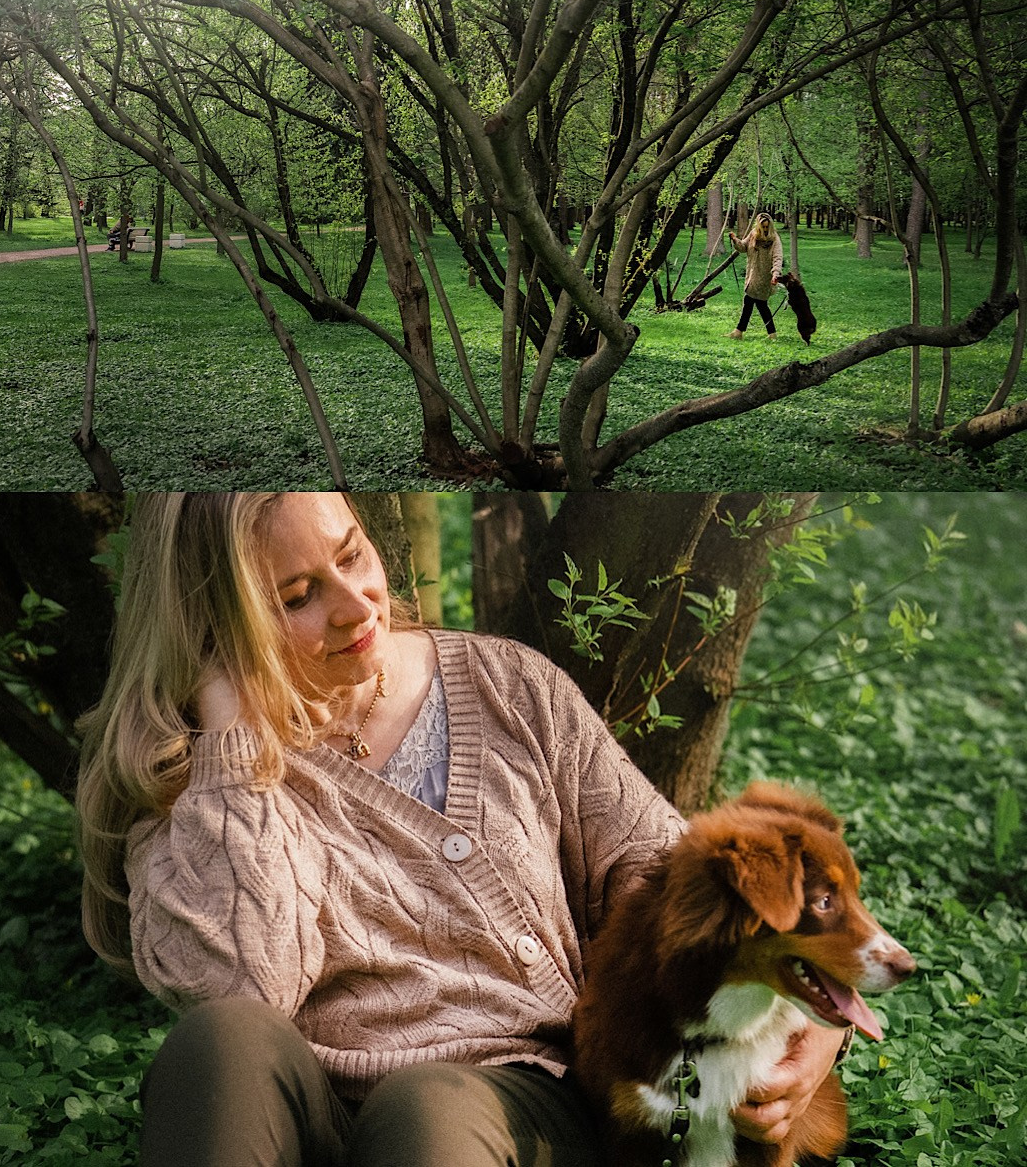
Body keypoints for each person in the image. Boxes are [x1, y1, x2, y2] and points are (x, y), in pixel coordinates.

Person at [76, 492, 848, 1167]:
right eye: (299, 596)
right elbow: (242, 990)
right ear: (218, 624)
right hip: (307, 1120)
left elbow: (680, 892)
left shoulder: (509, 687)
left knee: (426, 1108)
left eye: (352, 555)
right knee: (221, 1041)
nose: (356, 607)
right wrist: (233, 744)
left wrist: (818, 1024)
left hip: (513, 1110)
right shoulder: (187, 781)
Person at [727, 212, 784, 339]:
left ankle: (740, 332)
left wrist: (775, 274)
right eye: (763, 226)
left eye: (767, 227)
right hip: (753, 275)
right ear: (758, 226)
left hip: (765, 277)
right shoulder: (753, 234)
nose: (765, 229)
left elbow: (778, 258)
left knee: (756, 303)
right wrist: (735, 240)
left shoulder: (774, 239)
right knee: (756, 304)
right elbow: (743, 247)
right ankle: (769, 333)